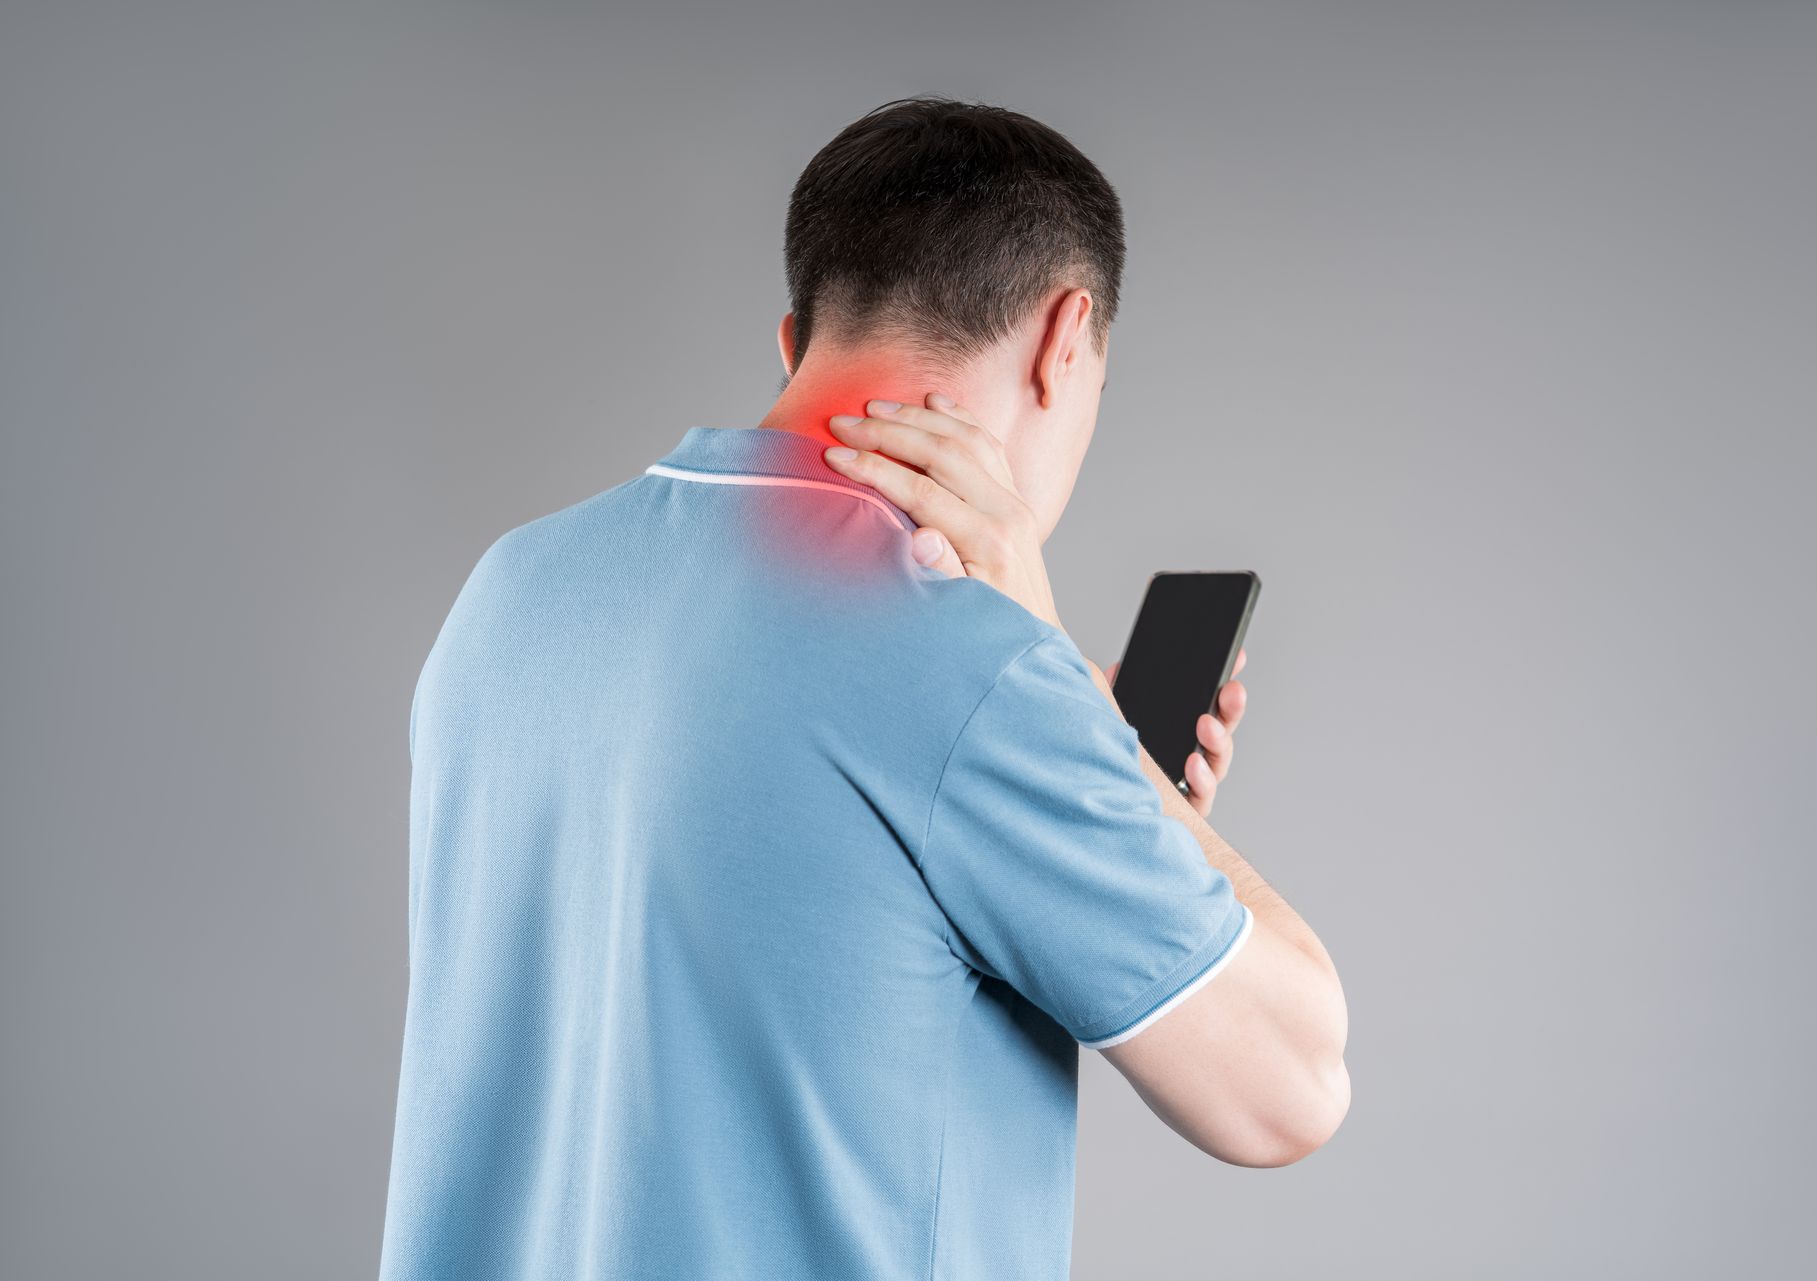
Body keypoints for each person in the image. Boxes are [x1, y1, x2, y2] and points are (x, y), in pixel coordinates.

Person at [378, 96, 1350, 1281]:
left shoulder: (510, 594)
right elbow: (1293, 1087)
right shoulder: (976, 666)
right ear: (1064, 339)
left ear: (793, 342)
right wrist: (1097, 736)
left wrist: (1060, 733)